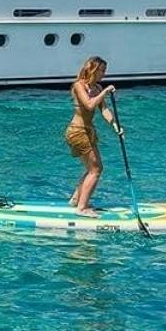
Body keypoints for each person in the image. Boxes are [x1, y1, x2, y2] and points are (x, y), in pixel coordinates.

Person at [65, 56, 122, 215]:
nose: (104, 74)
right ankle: (81, 208)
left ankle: (76, 200)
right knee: (96, 169)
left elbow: (103, 110)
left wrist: (115, 125)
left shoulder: (96, 88)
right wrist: (104, 91)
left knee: (91, 168)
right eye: (102, 70)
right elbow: (89, 105)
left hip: (88, 132)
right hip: (77, 131)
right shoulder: (79, 86)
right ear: (93, 70)